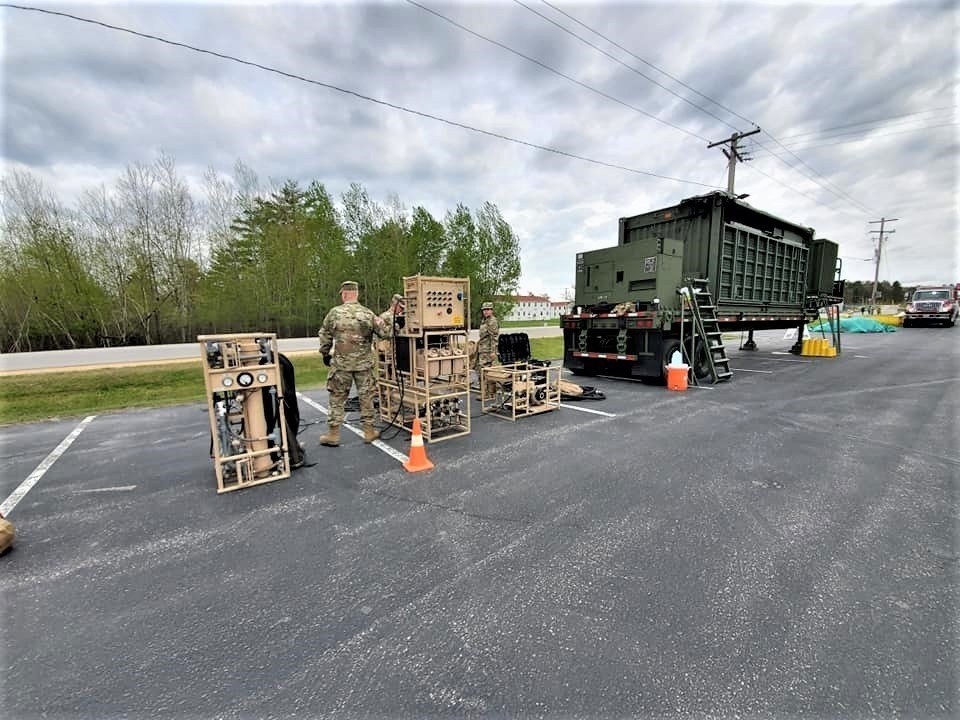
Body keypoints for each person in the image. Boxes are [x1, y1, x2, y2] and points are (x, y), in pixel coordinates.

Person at [317, 281, 389, 446]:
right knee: (366, 397)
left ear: (344, 294)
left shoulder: (334, 313)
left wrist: (325, 353)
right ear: (356, 294)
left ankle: (333, 434)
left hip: (341, 365)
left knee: (337, 398)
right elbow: (384, 332)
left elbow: (325, 333)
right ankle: (369, 432)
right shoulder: (367, 313)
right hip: (364, 366)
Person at [476, 301, 500, 395]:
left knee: (486, 371)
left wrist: (493, 351)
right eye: (484, 310)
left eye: (488, 309)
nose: (486, 311)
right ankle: (486, 391)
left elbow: (494, 337)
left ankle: (487, 393)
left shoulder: (492, 321)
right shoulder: (485, 320)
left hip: (487, 351)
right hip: (483, 349)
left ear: (492, 310)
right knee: (482, 370)